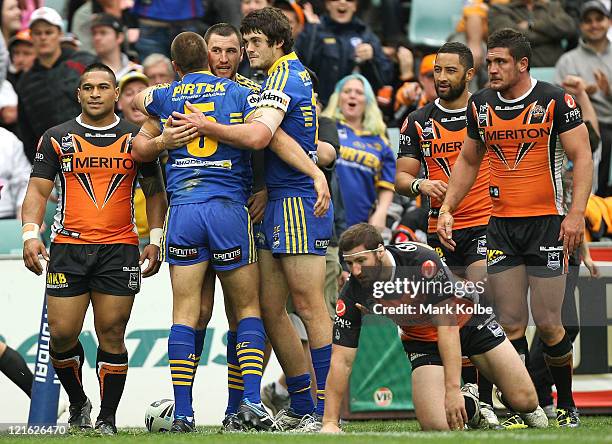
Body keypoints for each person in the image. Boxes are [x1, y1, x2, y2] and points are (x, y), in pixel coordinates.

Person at [132, 31, 324, 432]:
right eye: (216, 50)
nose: (224, 56)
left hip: (185, 211)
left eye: (233, 50)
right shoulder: (248, 96)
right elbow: (273, 137)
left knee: (186, 312)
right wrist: (312, 167)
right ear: (207, 53)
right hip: (229, 212)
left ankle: (187, 412)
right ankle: (253, 402)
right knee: (246, 309)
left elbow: (138, 108)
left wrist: (163, 114)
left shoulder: (166, 95)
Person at [437, 29, 593, 427]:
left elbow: (583, 158)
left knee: (549, 322)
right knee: (509, 322)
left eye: (500, 61)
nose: (492, 68)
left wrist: (575, 215)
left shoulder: (557, 100)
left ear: (523, 64)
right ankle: (524, 409)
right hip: (501, 225)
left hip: (547, 225)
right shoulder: (481, 105)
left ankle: (567, 405)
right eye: (489, 62)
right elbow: (468, 163)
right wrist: (448, 208)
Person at [21, 63, 166, 434]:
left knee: (112, 332)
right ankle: (78, 401)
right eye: (88, 88)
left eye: (104, 87)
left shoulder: (138, 140)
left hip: (119, 248)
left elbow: (154, 192)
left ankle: (107, 418)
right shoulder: (55, 137)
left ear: (117, 94)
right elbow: (38, 190)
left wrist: (156, 239)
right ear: (79, 94)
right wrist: (29, 234)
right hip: (67, 247)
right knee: (63, 333)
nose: (96, 93)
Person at [320, 223, 547, 433]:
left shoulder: (421, 261)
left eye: (361, 261)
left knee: (526, 401)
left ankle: (500, 395)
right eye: (349, 263)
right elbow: (342, 359)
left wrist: (451, 390)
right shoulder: (354, 289)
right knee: (437, 425)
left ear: (380, 251)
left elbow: (447, 329)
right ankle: (473, 404)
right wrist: (330, 422)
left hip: (469, 322)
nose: (356, 271)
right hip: (422, 342)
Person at [395, 42, 498, 427]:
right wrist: (421, 185)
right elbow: (401, 178)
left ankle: (482, 398)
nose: (441, 77)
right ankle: (471, 395)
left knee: (480, 297)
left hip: (486, 223)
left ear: (469, 74)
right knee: (454, 314)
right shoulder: (417, 121)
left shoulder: (487, 111)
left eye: (450, 71)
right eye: (437, 70)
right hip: (442, 229)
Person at [17, 7, 96, 163]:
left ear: (60, 34)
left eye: (48, 32)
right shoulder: (25, 82)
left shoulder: (84, 62)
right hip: (52, 163)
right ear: (31, 37)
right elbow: (26, 132)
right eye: (38, 33)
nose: (43, 37)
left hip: (93, 151)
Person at [322, 73, 395, 230]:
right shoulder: (326, 128)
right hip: (324, 217)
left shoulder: (380, 141)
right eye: (347, 91)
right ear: (338, 97)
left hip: (360, 225)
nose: (352, 96)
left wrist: (381, 213)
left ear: (368, 101)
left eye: (359, 92)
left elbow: (387, 183)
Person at [555, 0, 612, 196]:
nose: (594, 25)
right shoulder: (568, 60)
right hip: (586, 122)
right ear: (580, 26)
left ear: (609, 22)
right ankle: (600, 199)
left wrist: (608, 91)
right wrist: (581, 92)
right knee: (601, 137)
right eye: (588, 21)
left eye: (599, 19)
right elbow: (559, 99)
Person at [294, 0, 393, 105]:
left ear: (355, 6)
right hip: (319, 106)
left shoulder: (366, 35)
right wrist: (312, 30)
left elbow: (386, 78)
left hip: (353, 110)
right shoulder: (313, 30)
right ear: (327, 4)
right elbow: (298, 66)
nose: (342, 2)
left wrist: (373, 58)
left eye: (349, 0)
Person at [488, 0, 575, 67]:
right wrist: (552, 35)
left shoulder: (552, 6)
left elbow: (569, 27)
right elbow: (508, 38)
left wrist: (532, 25)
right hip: (517, 74)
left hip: (556, 71)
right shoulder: (499, 9)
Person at [91, 13, 141, 79]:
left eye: (103, 32)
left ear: (119, 37)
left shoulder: (137, 71)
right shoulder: (88, 71)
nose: (97, 38)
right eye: (94, 33)